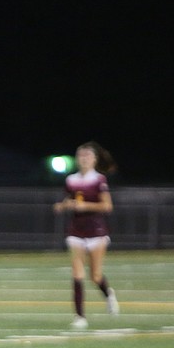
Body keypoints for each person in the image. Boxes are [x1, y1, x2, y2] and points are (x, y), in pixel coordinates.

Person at [53, 141, 119, 330]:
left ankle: (108, 294)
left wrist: (86, 206)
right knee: (77, 273)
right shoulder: (71, 180)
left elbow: (107, 206)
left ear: (94, 159)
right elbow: (68, 200)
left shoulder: (99, 180)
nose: (83, 159)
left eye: (87, 156)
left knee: (95, 276)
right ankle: (80, 316)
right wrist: (63, 205)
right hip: (76, 231)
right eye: (80, 156)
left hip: (96, 231)